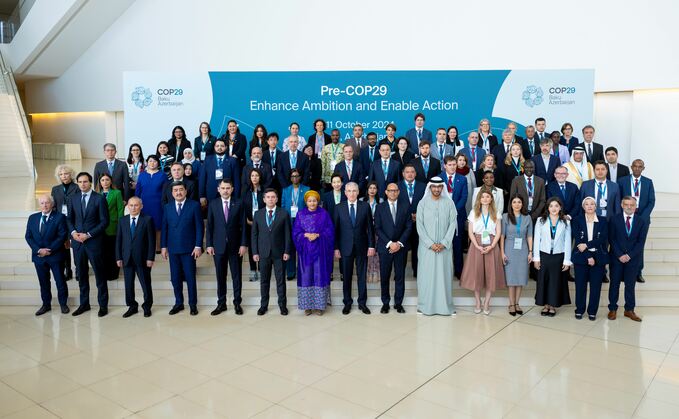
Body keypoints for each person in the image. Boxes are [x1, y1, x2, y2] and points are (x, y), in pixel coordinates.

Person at [66, 172, 110, 317]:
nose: (82, 184)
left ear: (90, 183)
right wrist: (73, 233)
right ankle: (84, 304)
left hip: (94, 242)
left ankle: (103, 305)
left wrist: (89, 234)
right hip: (78, 243)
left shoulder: (99, 198)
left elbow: (104, 221)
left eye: (85, 182)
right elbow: (69, 219)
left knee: (99, 275)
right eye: (80, 182)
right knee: (82, 275)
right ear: (77, 183)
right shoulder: (72, 198)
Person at [416, 177, 458, 315]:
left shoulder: (449, 203)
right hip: (427, 248)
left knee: (443, 276)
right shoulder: (422, 203)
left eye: (439, 187)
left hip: (444, 248)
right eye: (434, 187)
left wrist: (444, 243)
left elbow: (453, 224)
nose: (436, 189)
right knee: (426, 277)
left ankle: (445, 306)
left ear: (442, 188)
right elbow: (419, 226)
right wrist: (430, 244)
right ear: (429, 188)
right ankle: (425, 306)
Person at [161, 181, 203, 316]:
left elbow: (199, 227)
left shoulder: (194, 205)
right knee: (175, 278)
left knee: (190, 278)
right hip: (173, 249)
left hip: (189, 249)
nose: (178, 192)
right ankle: (179, 303)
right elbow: (165, 228)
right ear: (172, 193)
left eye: (181, 190)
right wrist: (163, 246)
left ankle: (192, 304)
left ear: (185, 191)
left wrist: (198, 246)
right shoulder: (167, 207)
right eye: (175, 190)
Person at [206, 179, 247, 316]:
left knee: (236, 276)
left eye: (228, 188)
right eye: (223, 188)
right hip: (218, 247)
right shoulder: (213, 204)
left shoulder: (239, 203)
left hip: (235, 247)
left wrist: (243, 244)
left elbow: (243, 226)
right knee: (220, 276)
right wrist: (209, 244)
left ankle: (237, 303)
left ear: (232, 189)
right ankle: (221, 303)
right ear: (218, 189)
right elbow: (210, 226)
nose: (225, 190)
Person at [461, 190, 505, 314]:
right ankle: (478, 302)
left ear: (491, 199)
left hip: (491, 244)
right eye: (483, 197)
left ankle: (486, 302)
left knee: (490, 274)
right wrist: (477, 246)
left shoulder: (496, 213)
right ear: (479, 199)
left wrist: (491, 246)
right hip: (477, 243)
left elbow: (498, 232)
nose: (485, 199)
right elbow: (470, 232)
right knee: (477, 273)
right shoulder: (473, 213)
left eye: (488, 197)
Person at [334, 182, 375, 315]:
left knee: (361, 276)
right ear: (345, 193)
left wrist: (371, 245)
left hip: (362, 246)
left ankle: (362, 303)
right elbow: (336, 230)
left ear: (358, 192)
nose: (351, 193)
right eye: (349, 191)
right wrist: (336, 248)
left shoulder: (365, 206)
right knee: (346, 276)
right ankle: (347, 302)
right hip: (345, 247)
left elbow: (370, 228)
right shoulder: (339, 207)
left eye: (354, 191)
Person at [25, 195, 68, 315]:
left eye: (47, 203)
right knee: (43, 282)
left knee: (60, 281)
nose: (44, 205)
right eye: (42, 203)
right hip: (39, 257)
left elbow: (62, 235)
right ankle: (46, 305)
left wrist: (49, 250)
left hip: (55, 255)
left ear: (52, 204)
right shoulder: (32, 218)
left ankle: (63, 304)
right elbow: (28, 236)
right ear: (39, 204)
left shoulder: (60, 217)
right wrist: (39, 250)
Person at [293, 190, 335, 315]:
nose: (312, 203)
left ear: (318, 201)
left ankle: (319, 306)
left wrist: (317, 235)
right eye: (310, 200)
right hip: (305, 252)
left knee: (319, 276)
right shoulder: (300, 214)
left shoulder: (324, 214)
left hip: (320, 251)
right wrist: (305, 234)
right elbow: (296, 232)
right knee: (306, 276)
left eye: (314, 200)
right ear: (306, 202)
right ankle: (307, 306)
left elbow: (330, 231)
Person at [607, 196, 648, 322]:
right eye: (626, 204)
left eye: (632, 205)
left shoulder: (642, 221)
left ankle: (629, 310)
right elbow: (611, 239)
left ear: (636, 207)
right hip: (616, 257)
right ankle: (612, 309)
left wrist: (629, 255)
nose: (629, 207)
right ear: (622, 205)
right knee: (614, 284)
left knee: (630, 285)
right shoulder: (614, 219)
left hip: (633, 259)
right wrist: (620, 255)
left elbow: (641, 242)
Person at [252, 189, 291, 315]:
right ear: (263, 199)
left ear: (277, 199)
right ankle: (263, 305)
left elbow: (287, 235)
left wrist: (287, 251)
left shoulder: (284, 213)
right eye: (268, 197)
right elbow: (254, 235)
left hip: (279, 253)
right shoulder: (258, 214)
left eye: (273, 197)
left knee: (281, 281)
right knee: (264, 281)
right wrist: (255, 252)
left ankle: (282, 306)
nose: (270, 199)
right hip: (263, 253)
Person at [375, 183, 412, 313]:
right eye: (390, 190)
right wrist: (390, 243)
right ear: (386, 192)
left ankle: (398, 303)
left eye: (395, 190)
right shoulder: (380, 207)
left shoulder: (405, 206)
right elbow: (377, 228)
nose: (393, 193)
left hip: (401, 248)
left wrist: (399, 243)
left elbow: (409, 227)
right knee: (385, 276)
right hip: (385, 247)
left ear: (399, 192)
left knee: (400, 276)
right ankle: (385, 303)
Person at [115, 197, 155, 318]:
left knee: (145, 283)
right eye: (131, 205)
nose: (133, 208)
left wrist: (150, 258)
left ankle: (147, 306)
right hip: (126, 258)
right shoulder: (122, 220)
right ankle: (132, 306)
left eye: (136, 205)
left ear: (141, 206)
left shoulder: (147, 220)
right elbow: (119, 241)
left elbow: (151, 241)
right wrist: (118, 257)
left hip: (142, 259)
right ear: (127, 207)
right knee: (128, 284)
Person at [533, 197, 572, 317]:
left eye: (556, 206)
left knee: (555, 281)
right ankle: (545, 305)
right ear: (547, 208)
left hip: (558, 256)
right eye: (551, 206)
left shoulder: (566, 222)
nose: (553, 208)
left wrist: (567, 260)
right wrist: (536, 258)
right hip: (544, 255)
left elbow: (567, 241)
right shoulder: (541, 220)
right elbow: (536, 240)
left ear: (560, 207)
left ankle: (553, 305)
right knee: (543, 280)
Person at [618, 159, 655, 283]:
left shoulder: (648, 182)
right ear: (631, 167)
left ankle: (638, 272)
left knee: (639, 244)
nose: (637, 168)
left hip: (642, 219)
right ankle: (623, 271)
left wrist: (643, 217)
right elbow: (619, 199)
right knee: (623, 242)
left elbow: (651, 201)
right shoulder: (622, 181)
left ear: (643, 168)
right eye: (635, 166)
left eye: (640, 166)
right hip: (626, 216)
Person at [571, 197, 608, 321]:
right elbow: (578, 240)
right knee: (580, 285)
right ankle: (579, 310)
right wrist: (588, 256)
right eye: (587, 204)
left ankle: (592, 311)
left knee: (595, 286)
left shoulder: (603, 221)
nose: (590, 206)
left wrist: (587, 245)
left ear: (595, 206)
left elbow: (602, 239)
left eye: (592, 204)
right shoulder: (577, 220)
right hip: (581, 258)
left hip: (599, 258)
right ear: (583, 207)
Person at [500, 195, 533, 316]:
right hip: (509, 247)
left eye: (519, 202)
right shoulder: (505, 217)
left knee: (520, 278)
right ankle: (511, 304)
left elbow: (529, 235)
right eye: (514, 202)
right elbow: (502, 236)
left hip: (523, 248)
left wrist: (530, 252)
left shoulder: (527, 217)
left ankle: (517, 303)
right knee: (511, 278)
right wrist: (502, 252)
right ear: (511, 204)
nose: (517, 204)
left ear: (523, 204)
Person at [439, 156, 468, 278]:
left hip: (458, 216)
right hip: (441, 216)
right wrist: (446, 211)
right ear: (444, 165)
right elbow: (435, 196)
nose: (452, 167)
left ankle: (458, 271)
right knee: (443, 244)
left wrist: (454, 210)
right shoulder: (438, 178)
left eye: (454, 164)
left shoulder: (462, 179)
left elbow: (464, 197)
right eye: (450, 164)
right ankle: (442, 271)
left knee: (457, 245)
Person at [51, 164, 78, 280]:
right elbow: (54, 206)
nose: (64, 176)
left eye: (66, 174)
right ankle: (68, 269)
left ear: (71, 175)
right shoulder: (55, 189)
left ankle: (79, 269)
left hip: (75, 220)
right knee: (64, 246)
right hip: (61, 221)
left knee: (77, 247)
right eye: (61, 174)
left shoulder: (77, 187)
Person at [281, 168, 310, 280]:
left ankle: (303, 272)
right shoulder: (286, 190)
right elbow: (283, 206)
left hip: (303, 223)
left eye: (297, 176)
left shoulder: (306, 189)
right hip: (289, 222)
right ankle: (291, 272)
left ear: (300, 177)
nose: (295, 178)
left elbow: (309, 206)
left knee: (303, 248)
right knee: (290, 247)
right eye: (293, 176)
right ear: (290, 178)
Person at [135, 155, 166, 252]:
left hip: (158, 204)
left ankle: (158, 247)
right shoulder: (142, 175)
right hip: (144, 204)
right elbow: (138, 190)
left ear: (158, 163)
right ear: (147, 163)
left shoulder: (163, 175)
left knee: (158, 225)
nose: (152, 163)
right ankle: (146, 247)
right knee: (144, 225)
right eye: (150, 161)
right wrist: (137, 202)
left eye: (155, 161)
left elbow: (166, 191)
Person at [398, 166, 425, 278]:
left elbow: (426, 203)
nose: (410, 174)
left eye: (412, 172)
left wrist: (418, 215)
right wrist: (408, 216)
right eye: (407, 172)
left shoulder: (423, 186)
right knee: (402, 248)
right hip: (402, 224)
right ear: (403, 174)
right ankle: (400, 273)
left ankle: (417, 271)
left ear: (415, 174)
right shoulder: (396, 186)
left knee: (417, 247)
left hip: (418, 222)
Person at [97, 173, 124, 281]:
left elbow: (120, 210)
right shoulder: (96, 194)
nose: (105, 182)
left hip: (113, 225)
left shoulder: (117, 193)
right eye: (102, 180)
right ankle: (103, 272)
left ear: (111, 181)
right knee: (102, 251)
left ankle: (113, 273)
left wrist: (120, 226)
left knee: (112, 250)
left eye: (107, 180)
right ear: (100, 182)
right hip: (99, 227)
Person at [199, 138, 241, 207]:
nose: (219, 148)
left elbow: (236, 180)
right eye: (217, 146)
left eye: (222, 146)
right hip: (211, 194)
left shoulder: (233, 161)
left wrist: (236, 197)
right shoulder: (207, 159)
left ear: (226, 147)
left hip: (228, 193)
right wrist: (202, 195)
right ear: (214, 147)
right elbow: (202, 178)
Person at [242, 168, 265, 281]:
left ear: (260, 177)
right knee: (251, 247)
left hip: (262, 224)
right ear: (250, 178)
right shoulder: (245, 191)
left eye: (257, 175)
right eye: (252, 176)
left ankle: (261, 270)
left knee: (261, 247)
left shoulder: (264, 190)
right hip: (249, 223)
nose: (254, 178)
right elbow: (242, 207)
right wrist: (247, 220)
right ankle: (252, 270)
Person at [361, 181, 382, 282]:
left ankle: (376, 274)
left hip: (377, 230)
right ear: (367, 189)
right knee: (368, 252)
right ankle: (368, 274)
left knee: (377, 253)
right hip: (365, 230)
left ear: (377, 190)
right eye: (370, 188)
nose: (372, 190)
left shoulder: (381, 201)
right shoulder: (361, 200)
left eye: (374, 188)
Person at [499, 143, 525, 211]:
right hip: (509, 189)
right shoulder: (505, 162)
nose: (515, 151)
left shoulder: (524, 162)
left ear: (520, 151)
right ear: (510, 151)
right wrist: (504, 189)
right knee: (509, 206)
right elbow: (502, 177)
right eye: (513, 149)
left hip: (521, 188)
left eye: (517, 149)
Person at [456, 153, 477, 217]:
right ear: (456, 161)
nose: (462, 162)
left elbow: (474, 185)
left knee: (468, 215)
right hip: (457, 198)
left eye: (464, 160)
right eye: (460, 160)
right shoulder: (453, 171)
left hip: (469, 198)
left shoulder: (469, 171)